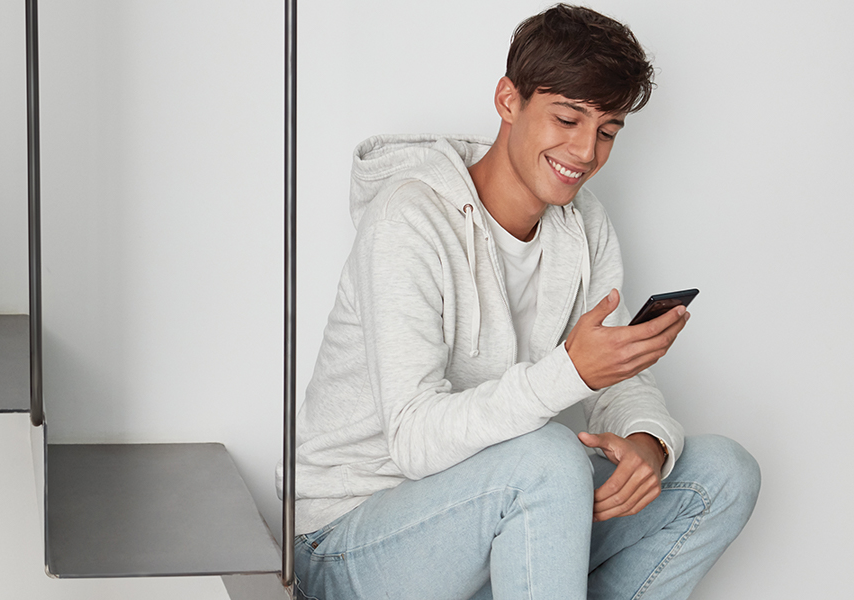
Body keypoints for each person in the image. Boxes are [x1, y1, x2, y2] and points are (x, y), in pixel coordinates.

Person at [288, 5, 759, 599]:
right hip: (344, 539)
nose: (586, 152)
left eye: (607, 130)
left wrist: (646, 441)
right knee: (546, 458)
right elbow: (414, 439)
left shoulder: (584, 225)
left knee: (720, 474)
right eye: (567, 119)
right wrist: (568, 373)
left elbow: (610, 377)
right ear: (509, 100)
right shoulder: (409, 219)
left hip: (492, 509)